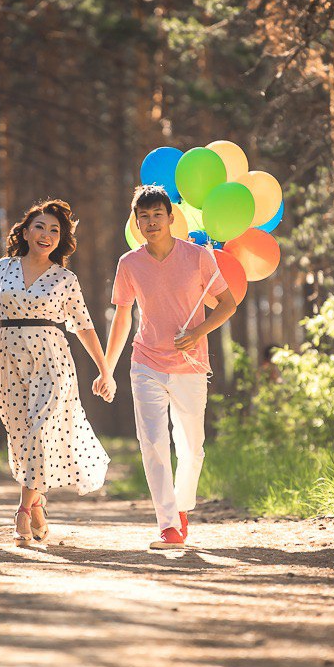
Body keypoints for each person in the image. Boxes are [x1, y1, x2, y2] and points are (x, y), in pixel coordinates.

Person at [0, 198, 113, 547]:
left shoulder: (66, 278)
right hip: (8, 357)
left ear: (61, 240)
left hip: (52, 359)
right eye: (40, 227)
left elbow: (85, 326)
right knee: (21, 435)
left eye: (55, 230)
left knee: (42, 429)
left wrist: (105, 371)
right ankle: (38, 503)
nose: (46, 235)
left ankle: (22, 513)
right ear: (25, 231)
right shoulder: (2, 267)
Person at [103, 185, 237, 549]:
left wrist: (198, 332)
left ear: (171, 218)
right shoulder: (129, 264)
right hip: (145, 362)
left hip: (190, 365)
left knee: (192, 447)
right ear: (136, 221)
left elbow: (228, 303)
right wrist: (107, 368)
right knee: (153, 443)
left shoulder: (197, 257)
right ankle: (167, 523)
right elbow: (122, 318)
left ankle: (181, 507)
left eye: (157, 215)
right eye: (143, 217)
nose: (151, 222)